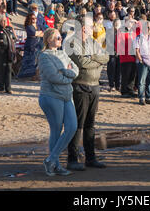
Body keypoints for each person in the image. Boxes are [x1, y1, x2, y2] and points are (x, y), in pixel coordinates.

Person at [67, 16, 109, 171]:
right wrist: (97, 61)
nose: (94, 29)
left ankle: (90, 158)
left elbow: (106, 57)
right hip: (80, 86)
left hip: (95, 86)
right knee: (77, 124)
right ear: (84, 28)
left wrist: (93, 58)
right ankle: (72, 158)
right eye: (92, 27)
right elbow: (82, 63)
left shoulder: (92, 42)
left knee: (90, 124)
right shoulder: (72, 43)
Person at [39, 28, 79, 176]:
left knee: (72, 127)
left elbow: (76, 70)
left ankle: (51, 159)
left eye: (60, 38)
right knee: (56, 130)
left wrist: (67, 73)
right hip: (51, 96)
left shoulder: (63, 53)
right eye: (57, 38)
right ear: (49, 39)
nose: (60, 40)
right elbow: (53, 77)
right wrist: (68, 76)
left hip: (67, 95)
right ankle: (55, 165)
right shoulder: (44, 56)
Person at [0, 15, 16, 94]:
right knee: (1, 70)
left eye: (5, 21)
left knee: (9, 69)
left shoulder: (9, 29)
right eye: (3, 21)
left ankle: (8, 88)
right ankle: (1, 88)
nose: (4, 22)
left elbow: (13, 38)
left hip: (9, 51)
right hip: (0, 52)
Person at [135, 20, 150, 106]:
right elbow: (137, 50)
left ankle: (148, 97)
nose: (148, 29)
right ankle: (141, 98)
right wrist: (140, 60)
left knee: (149, 81)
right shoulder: (138, 38)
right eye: (147, 27)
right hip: (143, 62)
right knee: (141, 81)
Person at [18, 13, 44, 80]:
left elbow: (43, 33)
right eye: (32, 18)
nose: (34, 20)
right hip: (30, 45)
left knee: (35, 61)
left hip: (37, 45)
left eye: (35, 18)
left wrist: (38, 33)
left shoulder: (38, 25)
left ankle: (33, 75)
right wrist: (38, 33)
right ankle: (24, 75)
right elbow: (33, 33)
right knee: (28, 60)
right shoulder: (28, 26)